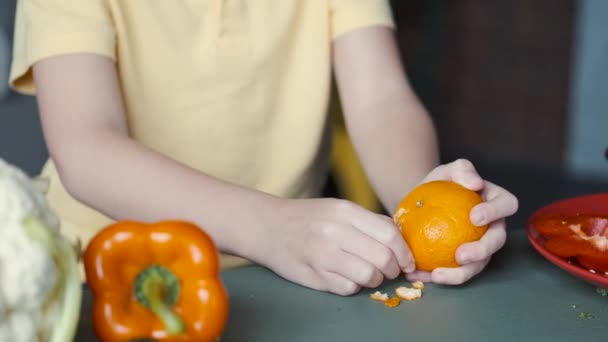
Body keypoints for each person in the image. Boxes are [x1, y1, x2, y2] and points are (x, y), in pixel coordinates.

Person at [9, 0, 518, 295]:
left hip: (292, 276)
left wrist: (425, 208)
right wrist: (269, 226)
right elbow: (87, 147)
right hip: (98, 277)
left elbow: (382, 102)